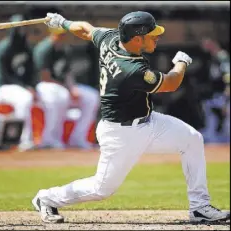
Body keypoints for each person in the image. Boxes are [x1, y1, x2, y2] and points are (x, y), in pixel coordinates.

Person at [31, 11, 230, 224]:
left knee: (192, 139)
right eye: (152, 35)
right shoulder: (131, 69)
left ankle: (199, 207)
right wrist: (181, 62)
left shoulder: (111, 39)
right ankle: (46, 198)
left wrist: (63, 22)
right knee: (102, 188)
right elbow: (171, 83)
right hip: (121, 134)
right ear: (136, 39)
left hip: (149, 123)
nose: (157, 37)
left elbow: (85, 29)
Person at [33, 29, 100, 149]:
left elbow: (68, 73)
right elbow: (44, 76)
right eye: (59, 34)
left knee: (92, 97)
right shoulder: (44, 48)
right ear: (52, 33)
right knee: (60, 96)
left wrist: (73, 88)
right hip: (45, 85)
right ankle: (49, 139)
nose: (62, 36)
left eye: (63, 34)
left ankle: (78, 138)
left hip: (63, 86)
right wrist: (68, 89)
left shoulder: (65, 48)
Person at [0, 14, 36, 151]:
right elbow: (4, 76)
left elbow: (31, 72)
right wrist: (25, 87)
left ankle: (50, 140)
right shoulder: (3, 48)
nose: (21, 32)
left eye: (23, 29)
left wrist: (32, 86)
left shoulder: (26, 48)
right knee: (25, 99)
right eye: (18, 29)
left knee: (50, 98)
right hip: (3, 87)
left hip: (22, 87)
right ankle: (25, 140)